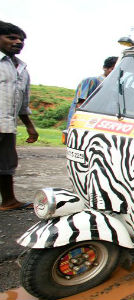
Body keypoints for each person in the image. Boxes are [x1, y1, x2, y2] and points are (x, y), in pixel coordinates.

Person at [0, 21, 38, 211]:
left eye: (21, 39)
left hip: (7, 125)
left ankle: (8, 201)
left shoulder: (22, 69)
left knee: (6, 164)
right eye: (11, 38)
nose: (18, 42)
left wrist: (30, 126)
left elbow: (23, 103)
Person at [66, 56, 118, 126]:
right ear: (105, 68)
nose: (115, 72)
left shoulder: (115, 87)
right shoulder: (91, 81)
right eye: (112, 69)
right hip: (82, 125)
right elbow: (80, 105)